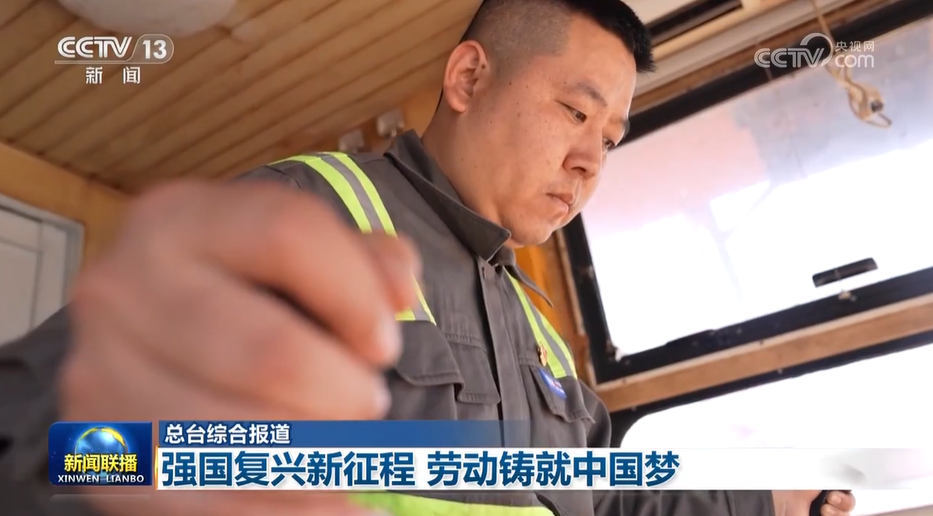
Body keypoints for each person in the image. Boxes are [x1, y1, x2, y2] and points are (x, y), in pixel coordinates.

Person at [0, 0, 858, 515]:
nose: (590, 161)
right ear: (468, 78)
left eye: (609, 137)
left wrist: (765, 504)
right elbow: (45, 442)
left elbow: (609, 495)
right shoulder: (310, 209)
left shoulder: (541, 334)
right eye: (573, 111)